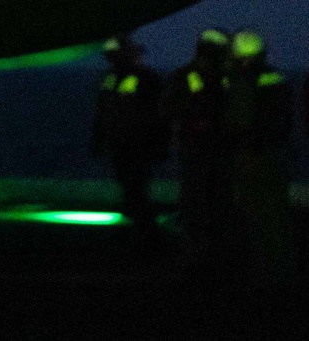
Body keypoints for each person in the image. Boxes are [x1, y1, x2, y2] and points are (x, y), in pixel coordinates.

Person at [219, 30, 294, 284]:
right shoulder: (276, 77)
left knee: (257, 215)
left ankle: (266, 273)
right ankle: (281, 270)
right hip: (276, 154)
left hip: (253, 157)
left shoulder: (245, 81)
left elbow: (239, 122)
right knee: (276, 214)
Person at [91, 36, 168, 235]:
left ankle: (143, 223)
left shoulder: (147, 78)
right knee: (127, 180)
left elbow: (158, 113)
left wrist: (159, 142)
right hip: (119, 141)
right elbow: (104, 110)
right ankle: (135, 218)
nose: (111, 60)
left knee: (136, 181)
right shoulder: (110, 78)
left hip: (138, 142)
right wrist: (99, 137)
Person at [168, 28, 230, 262]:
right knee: (199, 197)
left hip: (216, 147)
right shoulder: (191, 76)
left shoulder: (222, 76)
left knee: (210, 198)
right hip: (198, 148)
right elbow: (171, 108)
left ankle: (206, 249)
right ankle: (199, 251)